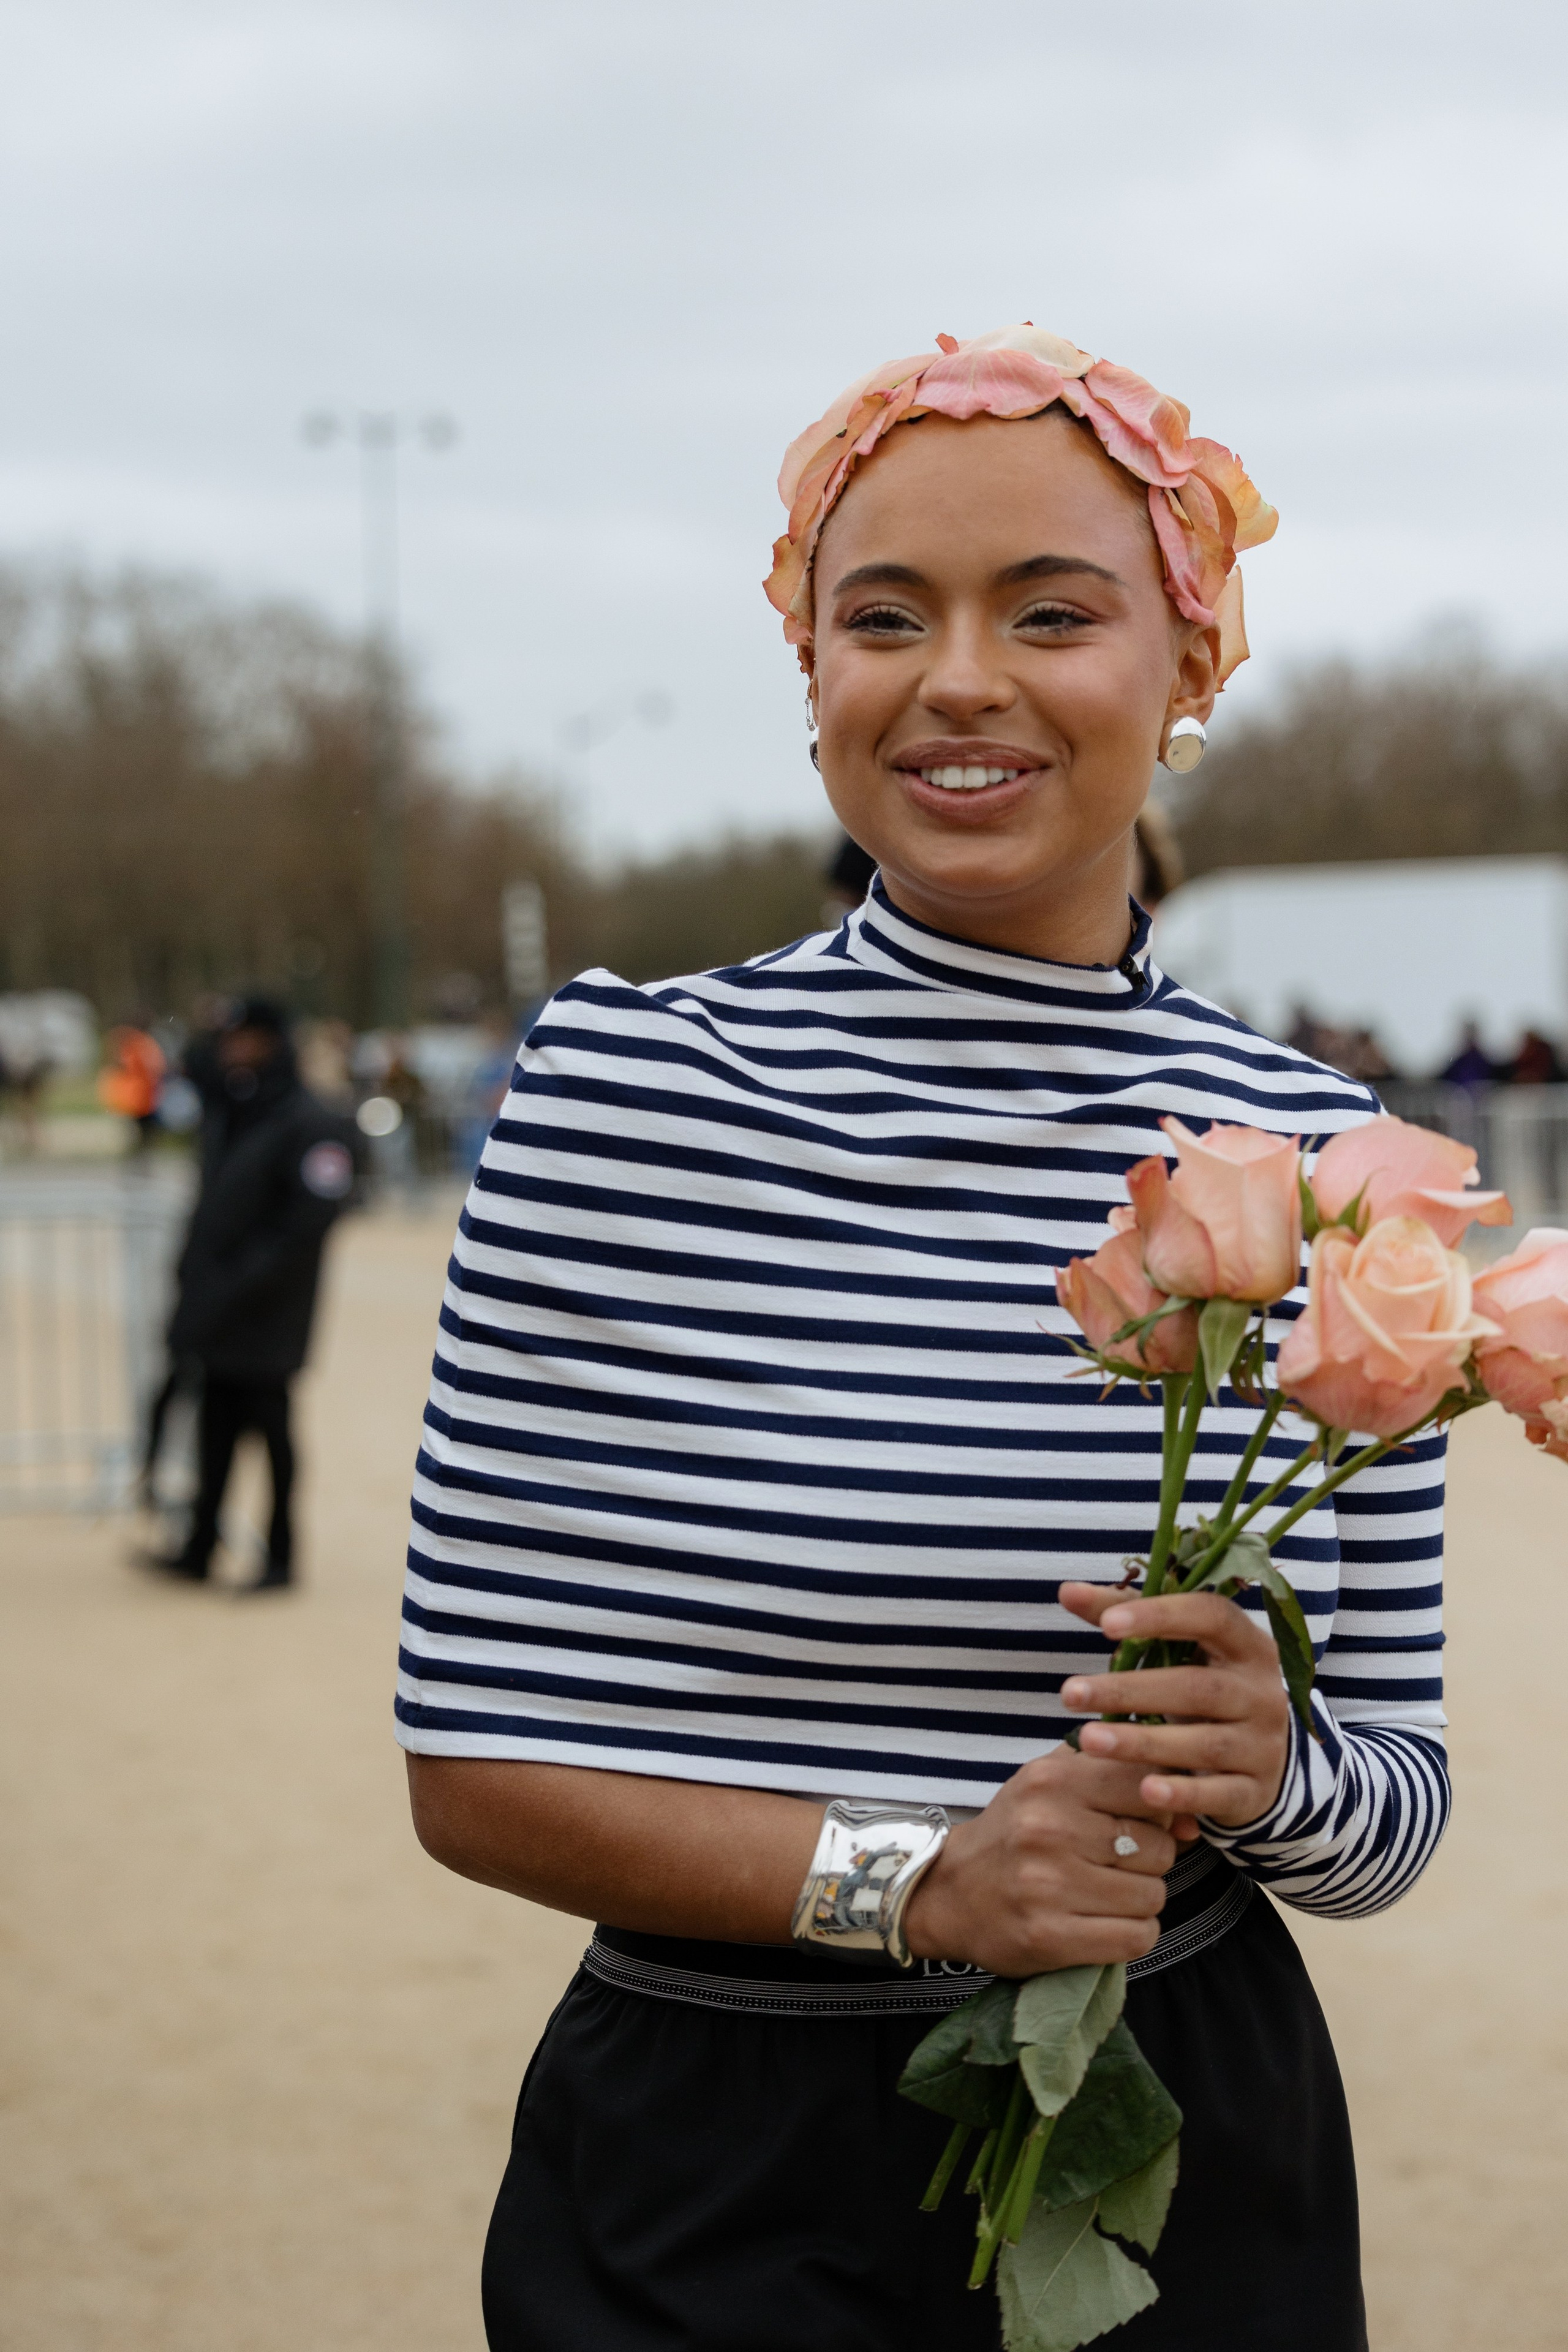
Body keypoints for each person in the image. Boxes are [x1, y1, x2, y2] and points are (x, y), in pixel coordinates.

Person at [399, 325, 1447, 2351]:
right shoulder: (625, 1089)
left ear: (1187, 670)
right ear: (815, 679)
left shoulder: (1329, 1161)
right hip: (709, 2155)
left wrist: (1270, 1770)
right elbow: (475, 1763)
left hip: (1175, 2148)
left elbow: (1393, 1796)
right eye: (883, 617)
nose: (958, 676)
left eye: (1051, 614)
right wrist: (917, 1882)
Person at [140, 997, 356, 1591]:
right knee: (214, 1423)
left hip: (268, 1308)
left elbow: (308, 1220)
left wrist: (239, 1279)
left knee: (272, 1431)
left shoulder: (309, 1119)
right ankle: (200, 1544)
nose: (233, 1048)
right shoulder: (238, 1106)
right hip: (218, 1300)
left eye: (245, 1037)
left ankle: (281, 1555)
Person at [97, 1018, 167, 1155]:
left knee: (144, 1128)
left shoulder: (139, 1045)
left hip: (145, 1094)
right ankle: (140, 1154)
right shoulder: (140, 1045)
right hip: (142, 1094)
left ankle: (141, 1154)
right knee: (143, 1128)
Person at [1439, 1017, 1495, 1089]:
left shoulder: (1485, 1063)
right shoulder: (1458, 1064)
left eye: (1472, 1035)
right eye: (1467, 1035)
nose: (1470, 1038)